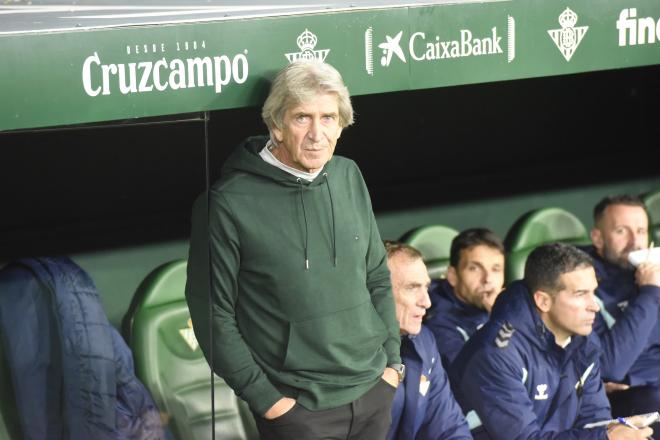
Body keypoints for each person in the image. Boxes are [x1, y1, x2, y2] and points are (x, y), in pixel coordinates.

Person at [184, 59, 402, 440]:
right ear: (276, 125)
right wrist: (267, 400)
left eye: (329, 118)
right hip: (299, 412)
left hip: (372, 392)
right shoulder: (226, 203)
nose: (317, 134)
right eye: (303, 118)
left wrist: (392, 364)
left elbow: (377, 276)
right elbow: (212, 314)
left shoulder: (349, 175)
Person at [451, 243, 652, 440]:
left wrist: (617, 432)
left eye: (594, 292)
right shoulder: (497, 353)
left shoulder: (583, 339)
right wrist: (605, 437)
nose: (594, 306)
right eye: (580, 294)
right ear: (543, 301)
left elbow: (593, 420)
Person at [581, 194, 660, 418]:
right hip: (629, 393)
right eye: (621, 231)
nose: (635, 241)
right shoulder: (582, 279)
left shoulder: (652, 267)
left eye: (641, 231)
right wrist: (650, 292)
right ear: (598, 238)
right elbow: (612, 367)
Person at [384, 241, 472, 440]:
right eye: (412, 288)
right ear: (377, 292)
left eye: (426, 287)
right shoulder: (343, 356)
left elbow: (449, 428)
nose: (426, 302)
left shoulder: (424, 341)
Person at [425, 228, 505, 368]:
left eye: (496, 269)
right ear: (452, 276)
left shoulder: (511, 303)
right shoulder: (438, 321)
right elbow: (474, 377)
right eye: (475, 268)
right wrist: (501, 321)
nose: (488, 279)